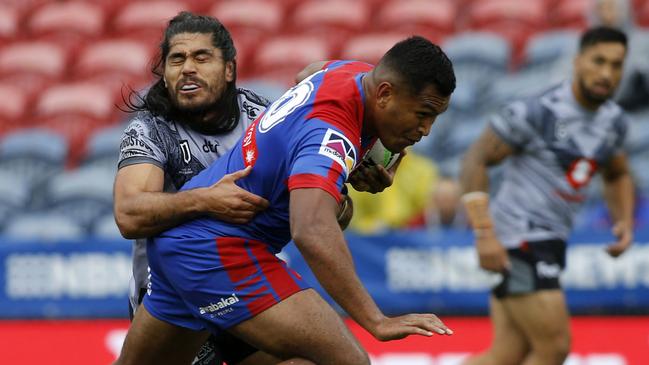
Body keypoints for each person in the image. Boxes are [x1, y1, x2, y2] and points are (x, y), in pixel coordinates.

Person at [114, 36, 456, 365]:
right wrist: (376, 320)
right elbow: (310, 228)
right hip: (222, 252)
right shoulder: (330, 135)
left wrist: (366, 158)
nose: (425, 129)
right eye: (423, 114)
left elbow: (309, 72)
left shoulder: (351, 72)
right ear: (384, 93)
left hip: (180, 243)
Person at [459, 27, 634, 365]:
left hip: (551, 241)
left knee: (507, 354)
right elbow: (475, 160)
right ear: (577, 61)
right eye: (598, 61)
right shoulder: (537, 111)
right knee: (554, 348)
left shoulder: (614, 122)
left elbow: (617, 173)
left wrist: (623, 220)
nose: (606, 73)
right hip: (520, 239)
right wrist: (484, 232)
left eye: (616, 65)